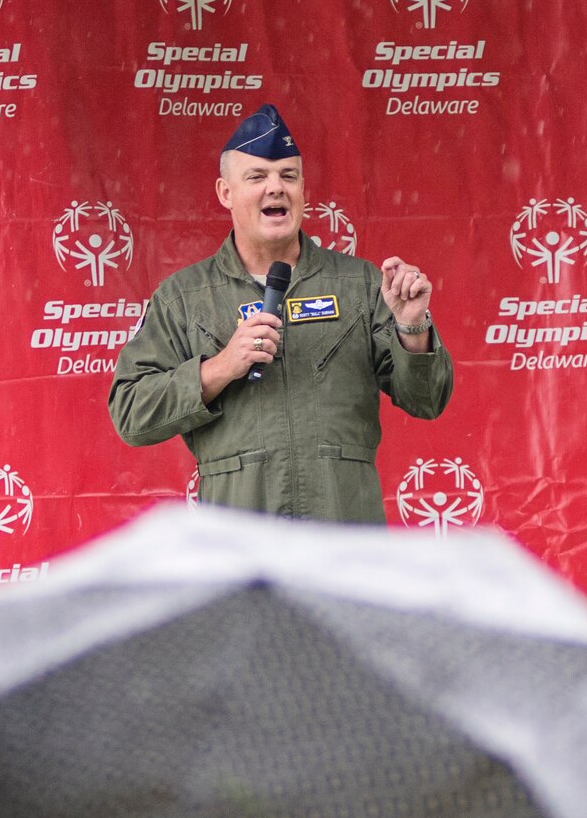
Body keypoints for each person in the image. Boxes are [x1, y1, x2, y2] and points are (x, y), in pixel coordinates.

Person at [109, 104, 453, 520]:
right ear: (225, 193)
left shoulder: (360, 284)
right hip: (241, 547)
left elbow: (428, 400)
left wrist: (411, 325)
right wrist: (221, 367)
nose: (276, 188)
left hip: (342, 540)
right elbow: (131, 414)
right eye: (257, 177)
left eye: (288, 176)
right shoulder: (184, 297)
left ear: (303, 190)